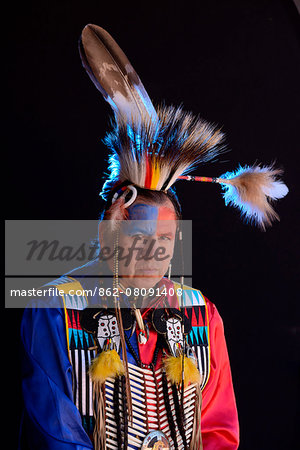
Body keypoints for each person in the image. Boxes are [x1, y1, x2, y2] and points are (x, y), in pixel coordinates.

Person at [20, 24, 288, 450]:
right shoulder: (56, 309)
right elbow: (56, 435)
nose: (152, 252)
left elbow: (219, 432)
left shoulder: (202, 315)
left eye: (164, 239)